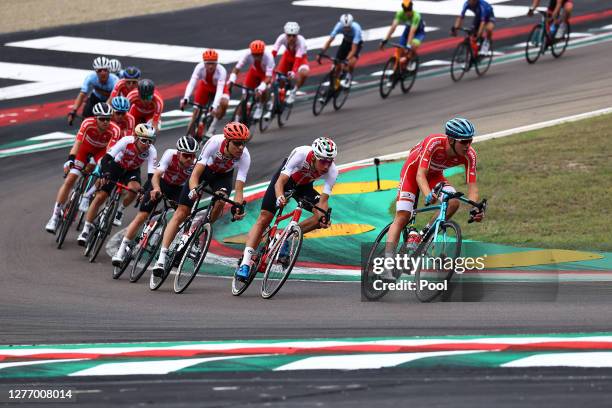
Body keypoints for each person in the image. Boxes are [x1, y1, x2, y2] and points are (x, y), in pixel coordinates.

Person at [383, 117, 484, 281]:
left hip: (435, 176)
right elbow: (419, 175)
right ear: (451, 140)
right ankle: (386, 265)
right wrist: (428, 194)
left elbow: (472, 188)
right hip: (413, 173)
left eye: (470, 140)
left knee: (454, 201)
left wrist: (475, 208)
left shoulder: (470, 155)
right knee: (403, 216)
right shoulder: (434, 142)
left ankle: (424, 234)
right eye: (464, 141)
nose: (468, 145)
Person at [151, 122, 251, 276]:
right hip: (206, 171)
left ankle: (202, 229)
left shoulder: (245, 156)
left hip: (223, 177)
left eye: (243, 144)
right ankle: (162, 257)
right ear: (227, 141)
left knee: (221, 200)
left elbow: (239, 188)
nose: (240, 148)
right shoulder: (214, 143)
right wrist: (193, 190)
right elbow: (196, 174)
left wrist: (238, 206)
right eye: (237, 144)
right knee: (181, 212)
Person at [235, 137, 338, 281]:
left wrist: (323, 216)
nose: (327, 166)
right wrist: (279, 197)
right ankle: (245, 263)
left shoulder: (333, 171)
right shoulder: (301, 154)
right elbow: (280, 182)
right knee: (265, 217)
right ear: (314, 157)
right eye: (323, 161)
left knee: (320, 216)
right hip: (285, 181)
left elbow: (323, 201)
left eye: (330, 161)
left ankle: (285, 237)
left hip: (304, 188)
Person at [112, 136, 199, 266]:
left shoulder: (195, 164)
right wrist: (156, 189)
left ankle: (172, 246)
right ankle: (121, 250)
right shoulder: (170, 154)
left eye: (192, 156)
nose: (189, 159)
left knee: (183, 216)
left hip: (179, 189)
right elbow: (156, 175)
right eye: (186, 155)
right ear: (179, 152)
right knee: (142, 216)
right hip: (162, 183)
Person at [77, 124, 158, 246]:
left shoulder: (152, 151)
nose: (147, 144)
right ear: (136, 137)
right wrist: (106, 173)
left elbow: (152, 176)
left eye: (150, 141)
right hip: (116, 166)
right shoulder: (126, 141)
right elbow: (106, 159)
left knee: (135, 189)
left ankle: (120, 209)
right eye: (144, 140)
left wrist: (144, 190)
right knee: (101, 196)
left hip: (132, 171)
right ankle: (85, 229)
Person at [46, 103, 120, 234]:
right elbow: (77, 143)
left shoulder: (115, 130)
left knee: (100, 171)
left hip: (101, 152)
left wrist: (103, 167)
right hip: (84, 149)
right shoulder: (87, 123)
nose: (105, 122)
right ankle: (55, 216)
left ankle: (87, 195)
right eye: (102, 119)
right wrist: (70, 159)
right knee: (70, 180)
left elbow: (110, 153)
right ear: (95, 118)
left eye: (108, 119)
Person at [180, 49, 230, 139]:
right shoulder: (199, 67)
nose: (210, 66)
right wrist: (186, 97)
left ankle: (212, 128)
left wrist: (214, 106)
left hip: (219, 88)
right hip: (205, 86)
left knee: (224, 103)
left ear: (217, 63)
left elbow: (219, 90)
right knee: (195, 112)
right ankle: (189, 135)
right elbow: (192, 83)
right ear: (204, 63)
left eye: (213, 63)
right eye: (208, 63)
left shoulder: (222, 71)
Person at [227, 40, 275, 121]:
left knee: (262, 90)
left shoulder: (269, 57)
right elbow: (237, 68)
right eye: (255, 55)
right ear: (251, 52)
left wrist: (260, 88)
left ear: (263, 52)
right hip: (254, 72)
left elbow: (268, 77)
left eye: (259, 54)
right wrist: (232, 79)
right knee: (244, 97)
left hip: (265, 75)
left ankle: (260, 105)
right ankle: (237, 119)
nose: (257, 57)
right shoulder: (247, 54)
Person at [68, 56, 119, 124]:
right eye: (99, 70)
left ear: (109, 70)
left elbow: (112, 98)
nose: (103, 73)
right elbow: (82, 94)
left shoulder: (115, 80)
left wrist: (103, 109)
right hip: (95, 98)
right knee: (86, 119)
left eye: (105, 70)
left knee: (109, 119)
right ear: (95, 71)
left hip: (110, 100)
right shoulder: (90, 77)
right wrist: (74, 111)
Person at [318, 14, 363, 88]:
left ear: (351, 24)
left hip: (356, 44)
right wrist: (321, 52)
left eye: (348, 27)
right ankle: (336, 84)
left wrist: (346, 60)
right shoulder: (338, 26)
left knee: (350, 63)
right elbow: (329, 41)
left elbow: (353, 49)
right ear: (342, 25)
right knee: (337, 66)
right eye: (344, 27)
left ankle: (348, 77)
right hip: (346, 42)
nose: (346, 29)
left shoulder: (357, 29)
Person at [380, 0, 426, 72]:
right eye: (405, 11)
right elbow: (393, 27)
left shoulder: (416, 16)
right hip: (407, 31)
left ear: (411, 10)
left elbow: (412, 32)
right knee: (399, 49)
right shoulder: (400, 13)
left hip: (418, 33)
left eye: (409, 12)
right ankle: (395, 72)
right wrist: (385, 39)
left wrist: (408, 45)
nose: (407, 14)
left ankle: (410, 61)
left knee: (413, 46)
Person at [272, 21, 309, 105]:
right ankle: (273, 107)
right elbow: (273, 53)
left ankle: (294, 92)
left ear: (297, 35)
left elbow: (298, 59)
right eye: (289, 35)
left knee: (304, 73)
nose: (291, 38)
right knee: (279, 80)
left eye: (294, 36)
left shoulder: (301, 42)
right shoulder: (281, 38)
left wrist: (293, 71)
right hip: (287, 56)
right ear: (285, 34)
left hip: (300, 59)